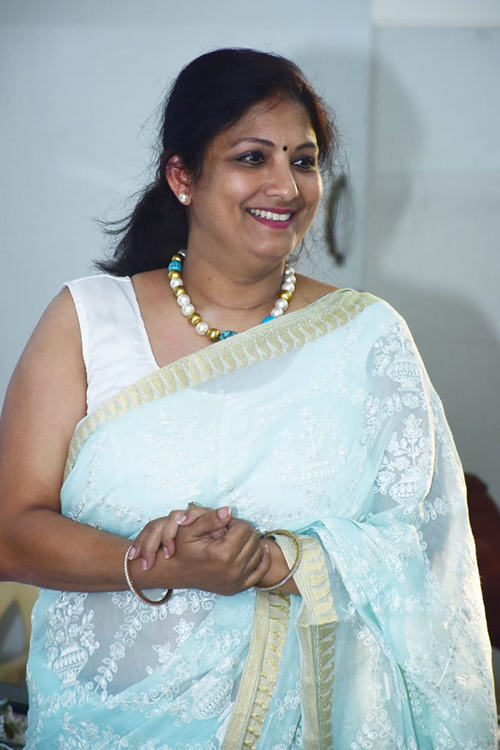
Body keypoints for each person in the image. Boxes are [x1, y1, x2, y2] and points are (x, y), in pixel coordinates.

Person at [0, 48, 496, 749]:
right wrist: (157, 564)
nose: (286, 186)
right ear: (183, 177)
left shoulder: (365, 336)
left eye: (304, 160)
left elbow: (422, 554)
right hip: (105, 726)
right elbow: (12, 533)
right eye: (252, 157)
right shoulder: (85, 320)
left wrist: (270, 562)